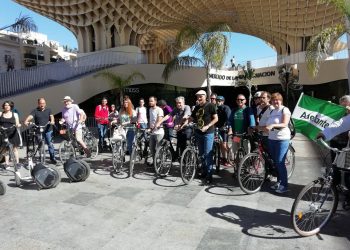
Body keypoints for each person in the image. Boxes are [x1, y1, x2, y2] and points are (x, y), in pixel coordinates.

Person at [263, 92, 291, 194]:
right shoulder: (271, 111)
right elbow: (267, 125)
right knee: (275, 162)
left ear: (281, 100)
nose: (276, 102)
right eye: (274, 100)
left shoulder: (285, 109)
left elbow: (284, 124)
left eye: (277, 100)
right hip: (272, 139)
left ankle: (284, 185)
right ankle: (279, 182)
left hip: (282, 139)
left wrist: (273, 125)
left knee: (280, 162)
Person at [188, 90, 218, 184]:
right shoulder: (197, 107)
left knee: (208, 154)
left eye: (200, 96)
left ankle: (209, 175)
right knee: (201, 155)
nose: (199, 98)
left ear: (205, 97)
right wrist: (183, 123)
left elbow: (216, 118)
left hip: (208, 133)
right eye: (197, 97)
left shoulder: (210, 106)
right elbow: (191, 118)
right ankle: (204, 172)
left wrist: (207, 126)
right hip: (198, 133)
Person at [24, 98, 57, 164]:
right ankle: (41, 156)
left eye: (43, 103)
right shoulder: (35, 110)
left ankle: (52, 158)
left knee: (50, 144)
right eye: (41, 103)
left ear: (45, 103)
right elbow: (31, 116)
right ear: (38, 104)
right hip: (39, 130)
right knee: (40, 144)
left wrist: (52, 121)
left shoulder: (49, 109)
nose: (42, 105)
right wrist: (26, 120)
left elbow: (51, 116)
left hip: (48, 130)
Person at [0, 101, 21, 168]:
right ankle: (7, 163)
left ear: (11, 106)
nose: (7, 106)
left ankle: (17, 163)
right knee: (5, 149)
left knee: (15, 148)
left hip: (13, 133)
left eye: (8, 105)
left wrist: (18, 125)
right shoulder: (0, 114)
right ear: (3, 106)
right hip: (3, 133)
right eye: (5, 105)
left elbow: (17, 123)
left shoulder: (15, 114)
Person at [215, 96, 231, 167]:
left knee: (224, 145)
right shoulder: (215, 108)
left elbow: (229, 118)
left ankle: (229, 158)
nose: (218, 102)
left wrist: (228, 126)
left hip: (224, 128)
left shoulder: (226, 108)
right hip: (217, 128)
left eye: (220, 101)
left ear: (223, 101)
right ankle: (224, 158)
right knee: (220, 144)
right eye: (217, 100)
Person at [148, 96, 164, 164]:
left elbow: (159, 120)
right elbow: (151, 119)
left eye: (151, 101)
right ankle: (155, 162)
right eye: (149, 101)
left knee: (158, 149)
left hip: (159, 132)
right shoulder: (150, 109)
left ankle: (160, 163)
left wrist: (154, 127)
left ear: (155, 102)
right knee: (151, 148)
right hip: (152, 132)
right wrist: (149, 127)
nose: (150, 102)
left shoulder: (159, 110)